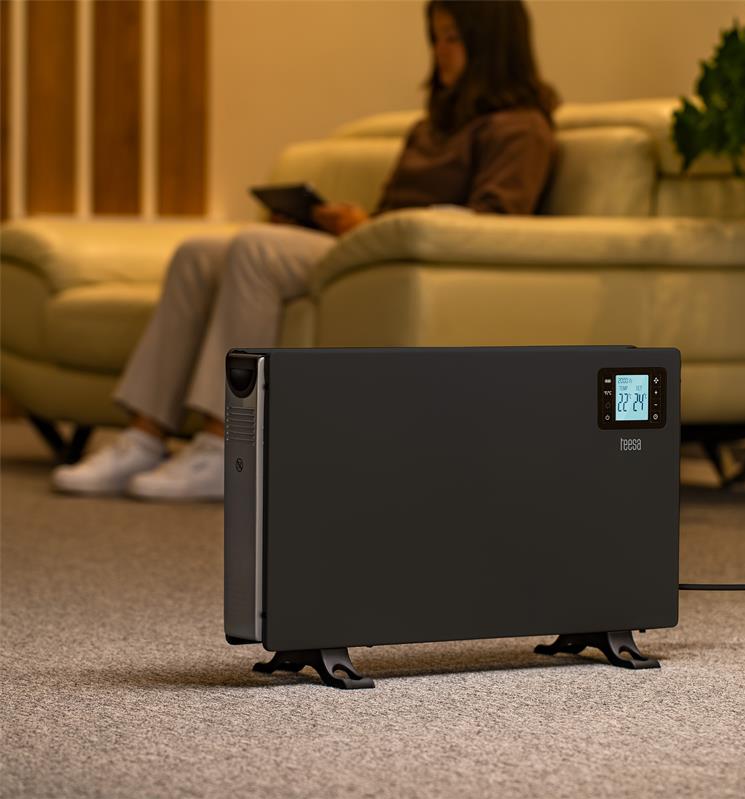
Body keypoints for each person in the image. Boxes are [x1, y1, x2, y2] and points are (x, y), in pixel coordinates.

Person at [52, 0, 559, 501]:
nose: (440, 51)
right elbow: (394, 211)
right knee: (198, 254)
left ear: (493, 46)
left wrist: (371, 227)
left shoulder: (521, 127)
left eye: (453, 38)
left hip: (401, 260)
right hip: (371, 249)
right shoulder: (431, 128)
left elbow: (491, 226)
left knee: (255, 250)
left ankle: (226, 446)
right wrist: (324, 220)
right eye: (436, 37)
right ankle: (143, 436)